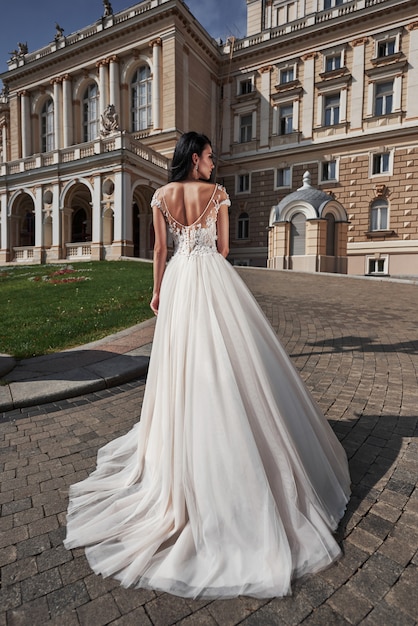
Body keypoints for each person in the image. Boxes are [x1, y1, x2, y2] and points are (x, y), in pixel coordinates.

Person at [64, 131, 350, 599]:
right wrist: (204, 249)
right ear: (194, 159)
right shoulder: (216, 195)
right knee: (230, 357)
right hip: (212, 280)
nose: (215, 164)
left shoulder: (159, 195)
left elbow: (159, 250)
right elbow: (224, 249)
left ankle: (182, 441)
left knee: (181, 362)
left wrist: (157, 291)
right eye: (211, 157)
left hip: (177, 279)